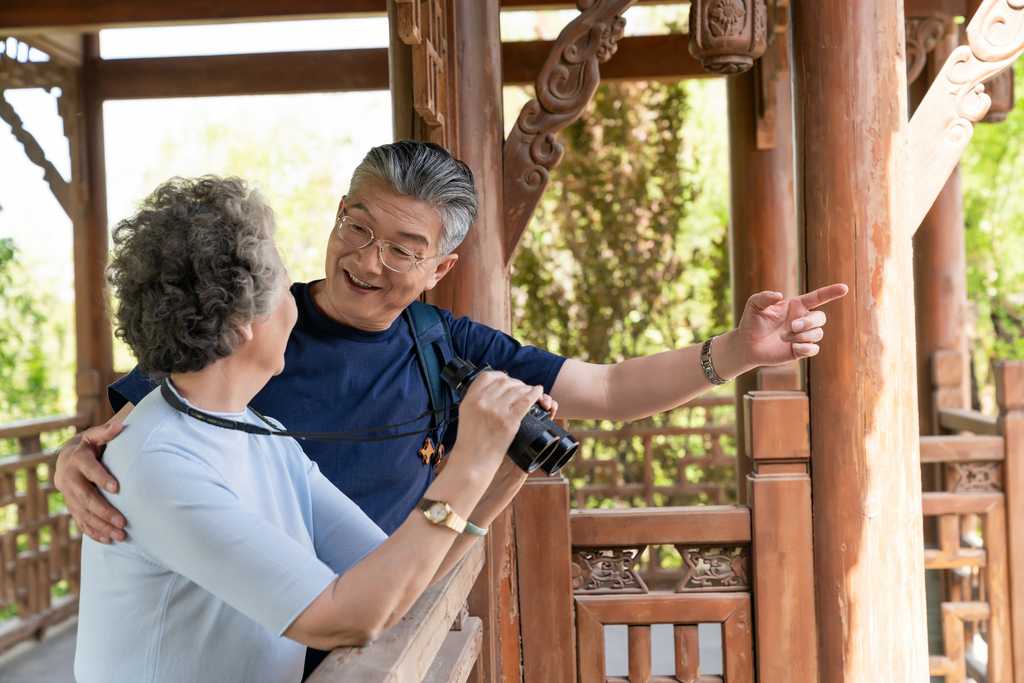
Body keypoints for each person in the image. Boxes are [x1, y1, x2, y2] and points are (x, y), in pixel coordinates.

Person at [57, 140, 846, 674]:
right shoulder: (238, 339)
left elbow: (605, 389)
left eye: (401, 248)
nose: (366, 260)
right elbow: (139, 431)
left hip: (372, 619)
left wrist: (739, 352)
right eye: (355, 228)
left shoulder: (440, 349)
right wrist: (74, 461)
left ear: (440, 266)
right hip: (309, 623)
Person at [75, 176, 546, 683]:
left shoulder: (259, 432)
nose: (299, 300)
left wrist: (505, 467)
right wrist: (470, 459)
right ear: (241, 327)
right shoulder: (159, 463)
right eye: (282, 285)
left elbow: (398, 569)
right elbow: (346, 618)